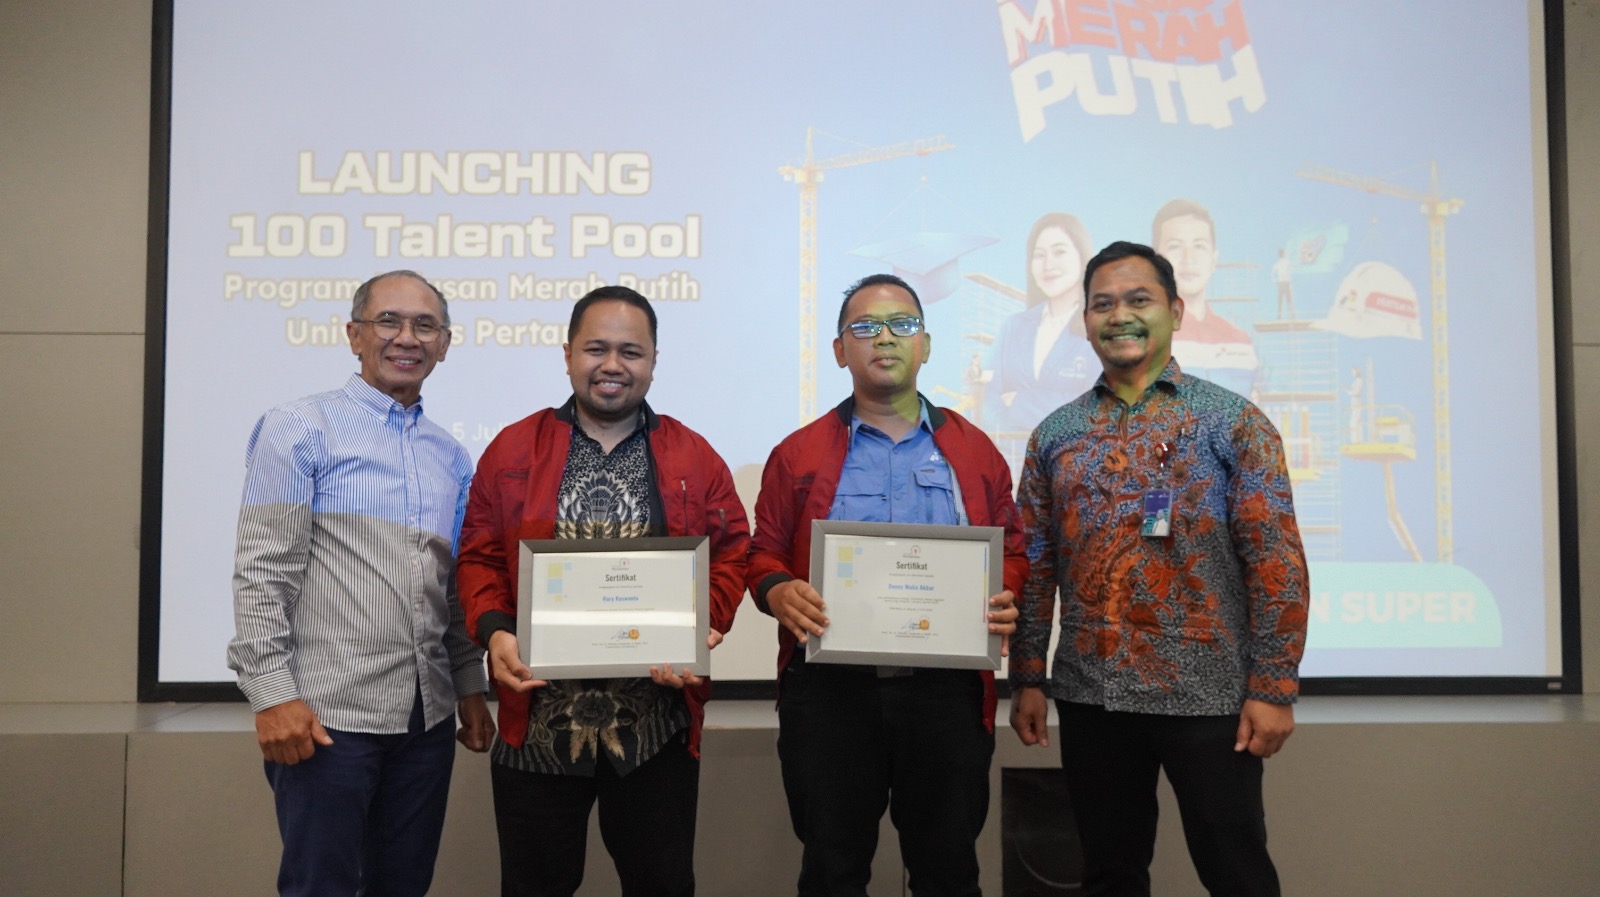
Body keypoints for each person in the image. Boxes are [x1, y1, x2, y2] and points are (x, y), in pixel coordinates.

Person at [1009, 242, 1309, 897]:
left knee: (1237, 873)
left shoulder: (1234, 423)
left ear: (1175, 311)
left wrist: (1274, 686)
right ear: (1085, 320)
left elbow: (1277, 563)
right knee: (1108, 874)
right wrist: (1028, 674)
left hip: (1210, 694)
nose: (1119, 315)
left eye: (1138, 299)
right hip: (1092, 695)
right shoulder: (1055, 435)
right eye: (1102, 303)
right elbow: (1035, 564)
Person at [457, 285, 750, 897]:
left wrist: (702, 624)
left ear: (653, 361)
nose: (612, 365)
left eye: (630, 352)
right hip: (538, 727)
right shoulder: (513, 448)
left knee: (662, 886)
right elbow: (479, 557)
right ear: (568, 354)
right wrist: (495, 631)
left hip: (654, 731)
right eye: (596, 349)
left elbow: (730, 552)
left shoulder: (694, 456)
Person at [748, 273, 1029, 897]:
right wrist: (777, 591)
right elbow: (762, 552)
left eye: (903, 325)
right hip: (830, 696)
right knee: (832, 871)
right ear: (839, 350)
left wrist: (1004, 592)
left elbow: (1011, 548)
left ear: (925, 345)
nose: (885, 338)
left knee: (948, 871)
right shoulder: (797, 454)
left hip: (946, 694)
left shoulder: (976, 452)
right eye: (865, 326)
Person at [228, 269, 495, 897]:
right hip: (327, 718)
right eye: (388, 321)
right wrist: (270, 695)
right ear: (354, 335)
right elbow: (263, 571)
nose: (407, 337)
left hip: (426, 723)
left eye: (425, 325)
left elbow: (451, 588)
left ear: (445, 343)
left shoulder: (452, 457)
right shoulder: (299, 427)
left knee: (404, 886)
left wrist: (469, 686)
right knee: (320, 887)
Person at [987, 212, 1101, 433]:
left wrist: (1020, 404)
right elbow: (986, 397)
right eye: (1039, 255)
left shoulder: (1102, 328)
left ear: (1082, 257)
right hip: (1012, 450)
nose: (1048, 264)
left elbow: (1097, 409)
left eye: (1059, 252)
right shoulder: (1013, 327)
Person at [1152, 199, 1259, 397]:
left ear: (1213, 259)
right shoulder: (1142, 338)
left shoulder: (1241, 342)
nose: (1189, 259)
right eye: (1175, 246)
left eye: (1199, 246)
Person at [1271, 247, 1295, 320]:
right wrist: (1276, 281)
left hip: (1283, 282)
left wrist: (1275, 281)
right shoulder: (1284, 262)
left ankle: (1288, 315)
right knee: (1285, 300)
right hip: (1284, 282)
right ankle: (1285, 316)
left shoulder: (1281, 263)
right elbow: (1273, 273)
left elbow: (1273, 273)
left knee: (1284, 300)